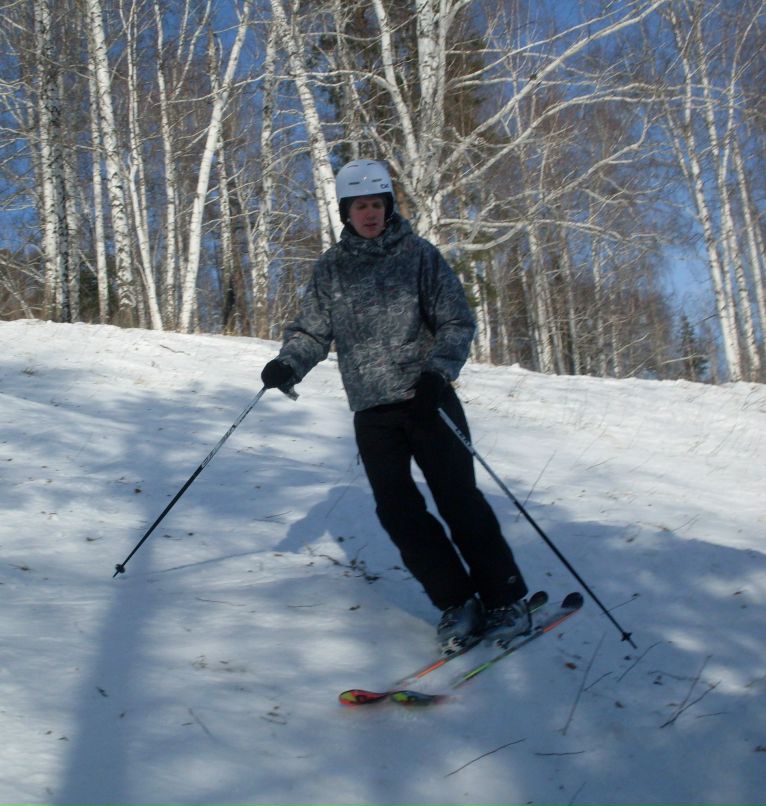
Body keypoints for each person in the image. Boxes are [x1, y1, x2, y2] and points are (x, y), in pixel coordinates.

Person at [260, 159, 529, 655]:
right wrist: (288, 364)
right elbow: (311, 331)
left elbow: (456, 321)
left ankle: (506, 600)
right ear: (346, 211)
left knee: (458, 501)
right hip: (372, 411)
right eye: (360, 206)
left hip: (427, 398)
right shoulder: (332, 268)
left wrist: (437, 372)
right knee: (398, 512)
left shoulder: (419, 256)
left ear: (388, 207)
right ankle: (457, 602)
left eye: (377, 205)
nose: (369, 214)